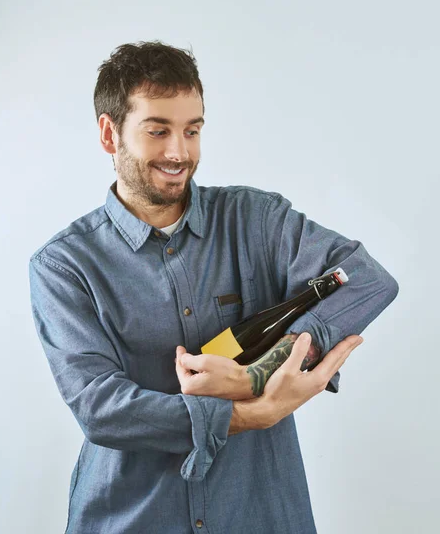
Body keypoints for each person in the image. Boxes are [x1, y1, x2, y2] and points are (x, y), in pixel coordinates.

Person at [29, 41, 399, 534]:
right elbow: (102, 409)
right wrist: (247, 414)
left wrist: (257, 377)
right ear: (108, 133)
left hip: (260, 513)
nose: (179, 152)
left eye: (192, 130)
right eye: (158, 131)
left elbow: (368, 279)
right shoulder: (64, 265)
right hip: (132, 517)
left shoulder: (257, 221)